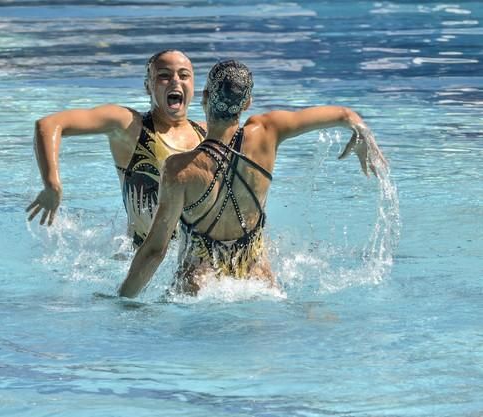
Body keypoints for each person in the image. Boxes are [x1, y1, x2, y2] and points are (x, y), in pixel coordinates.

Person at [118, 60, 387, 298]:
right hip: (258, 283)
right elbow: (343, 114)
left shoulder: (179, 169)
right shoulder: (267, 132)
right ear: (247, 103)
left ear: (205, 97)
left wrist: (122, 300)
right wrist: (361, 132)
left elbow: (155, 251)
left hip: (199, 288)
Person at [26, 50, 207, 247]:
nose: (175, 81)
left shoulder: (207, 134)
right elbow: (49, 124)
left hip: (194, 259)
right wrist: (52, 185)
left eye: (184, 75)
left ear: (193, 84)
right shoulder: (130, 126)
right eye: (164, 75)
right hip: (139, 256)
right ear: (148, 86)